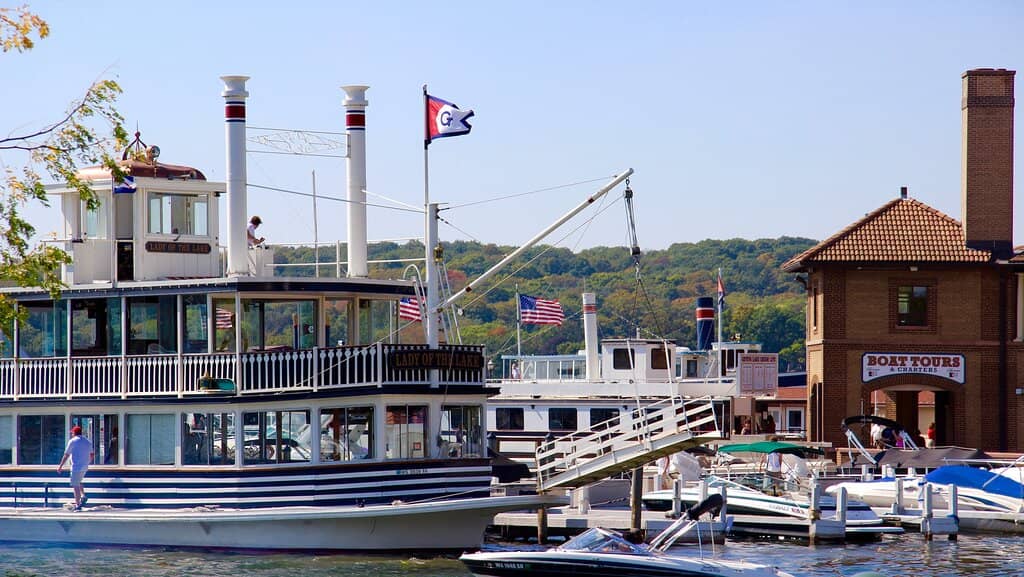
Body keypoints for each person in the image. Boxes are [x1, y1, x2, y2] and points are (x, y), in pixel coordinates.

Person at [57, 425, 94, 511]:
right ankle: (83, 496)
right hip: (85, 467)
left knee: (75, 485)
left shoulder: (72, 441)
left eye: (72, 433)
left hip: (76, 467)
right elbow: (92, 454)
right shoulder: (87, 442)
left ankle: (78, 505)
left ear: (74, 433)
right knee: (79, 481)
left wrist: (60, 466)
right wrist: (88, 462)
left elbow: (66, 454)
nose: (72, 434)